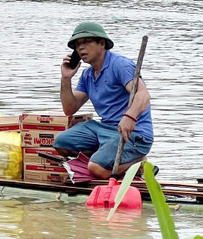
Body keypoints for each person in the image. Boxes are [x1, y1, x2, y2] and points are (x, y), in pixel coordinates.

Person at [53, 21, 153, 180]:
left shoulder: (120, 65)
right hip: (105, 128)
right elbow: (70, 109)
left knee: (96, 168)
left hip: (133, 133)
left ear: (102, 44)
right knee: (61, 143)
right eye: (78, 45)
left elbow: (143, 95)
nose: (80, 48)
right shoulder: (87, 75)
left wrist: (130, 117)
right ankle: (106, 156)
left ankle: (138, 162)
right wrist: (66, 78)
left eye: (86, 42)